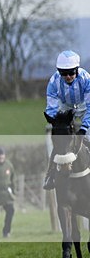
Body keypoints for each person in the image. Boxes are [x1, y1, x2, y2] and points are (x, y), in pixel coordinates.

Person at [42, 50, 90, 190]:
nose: (67, 76)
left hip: (85, 107)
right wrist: (55, 122)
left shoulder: (86, 79)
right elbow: (51, 107)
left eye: (71, 73)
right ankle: (50, 175)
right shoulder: (53, 82)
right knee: (59, 138)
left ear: (76, 70)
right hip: (65, 108)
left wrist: (83, 129)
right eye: (64, 73)